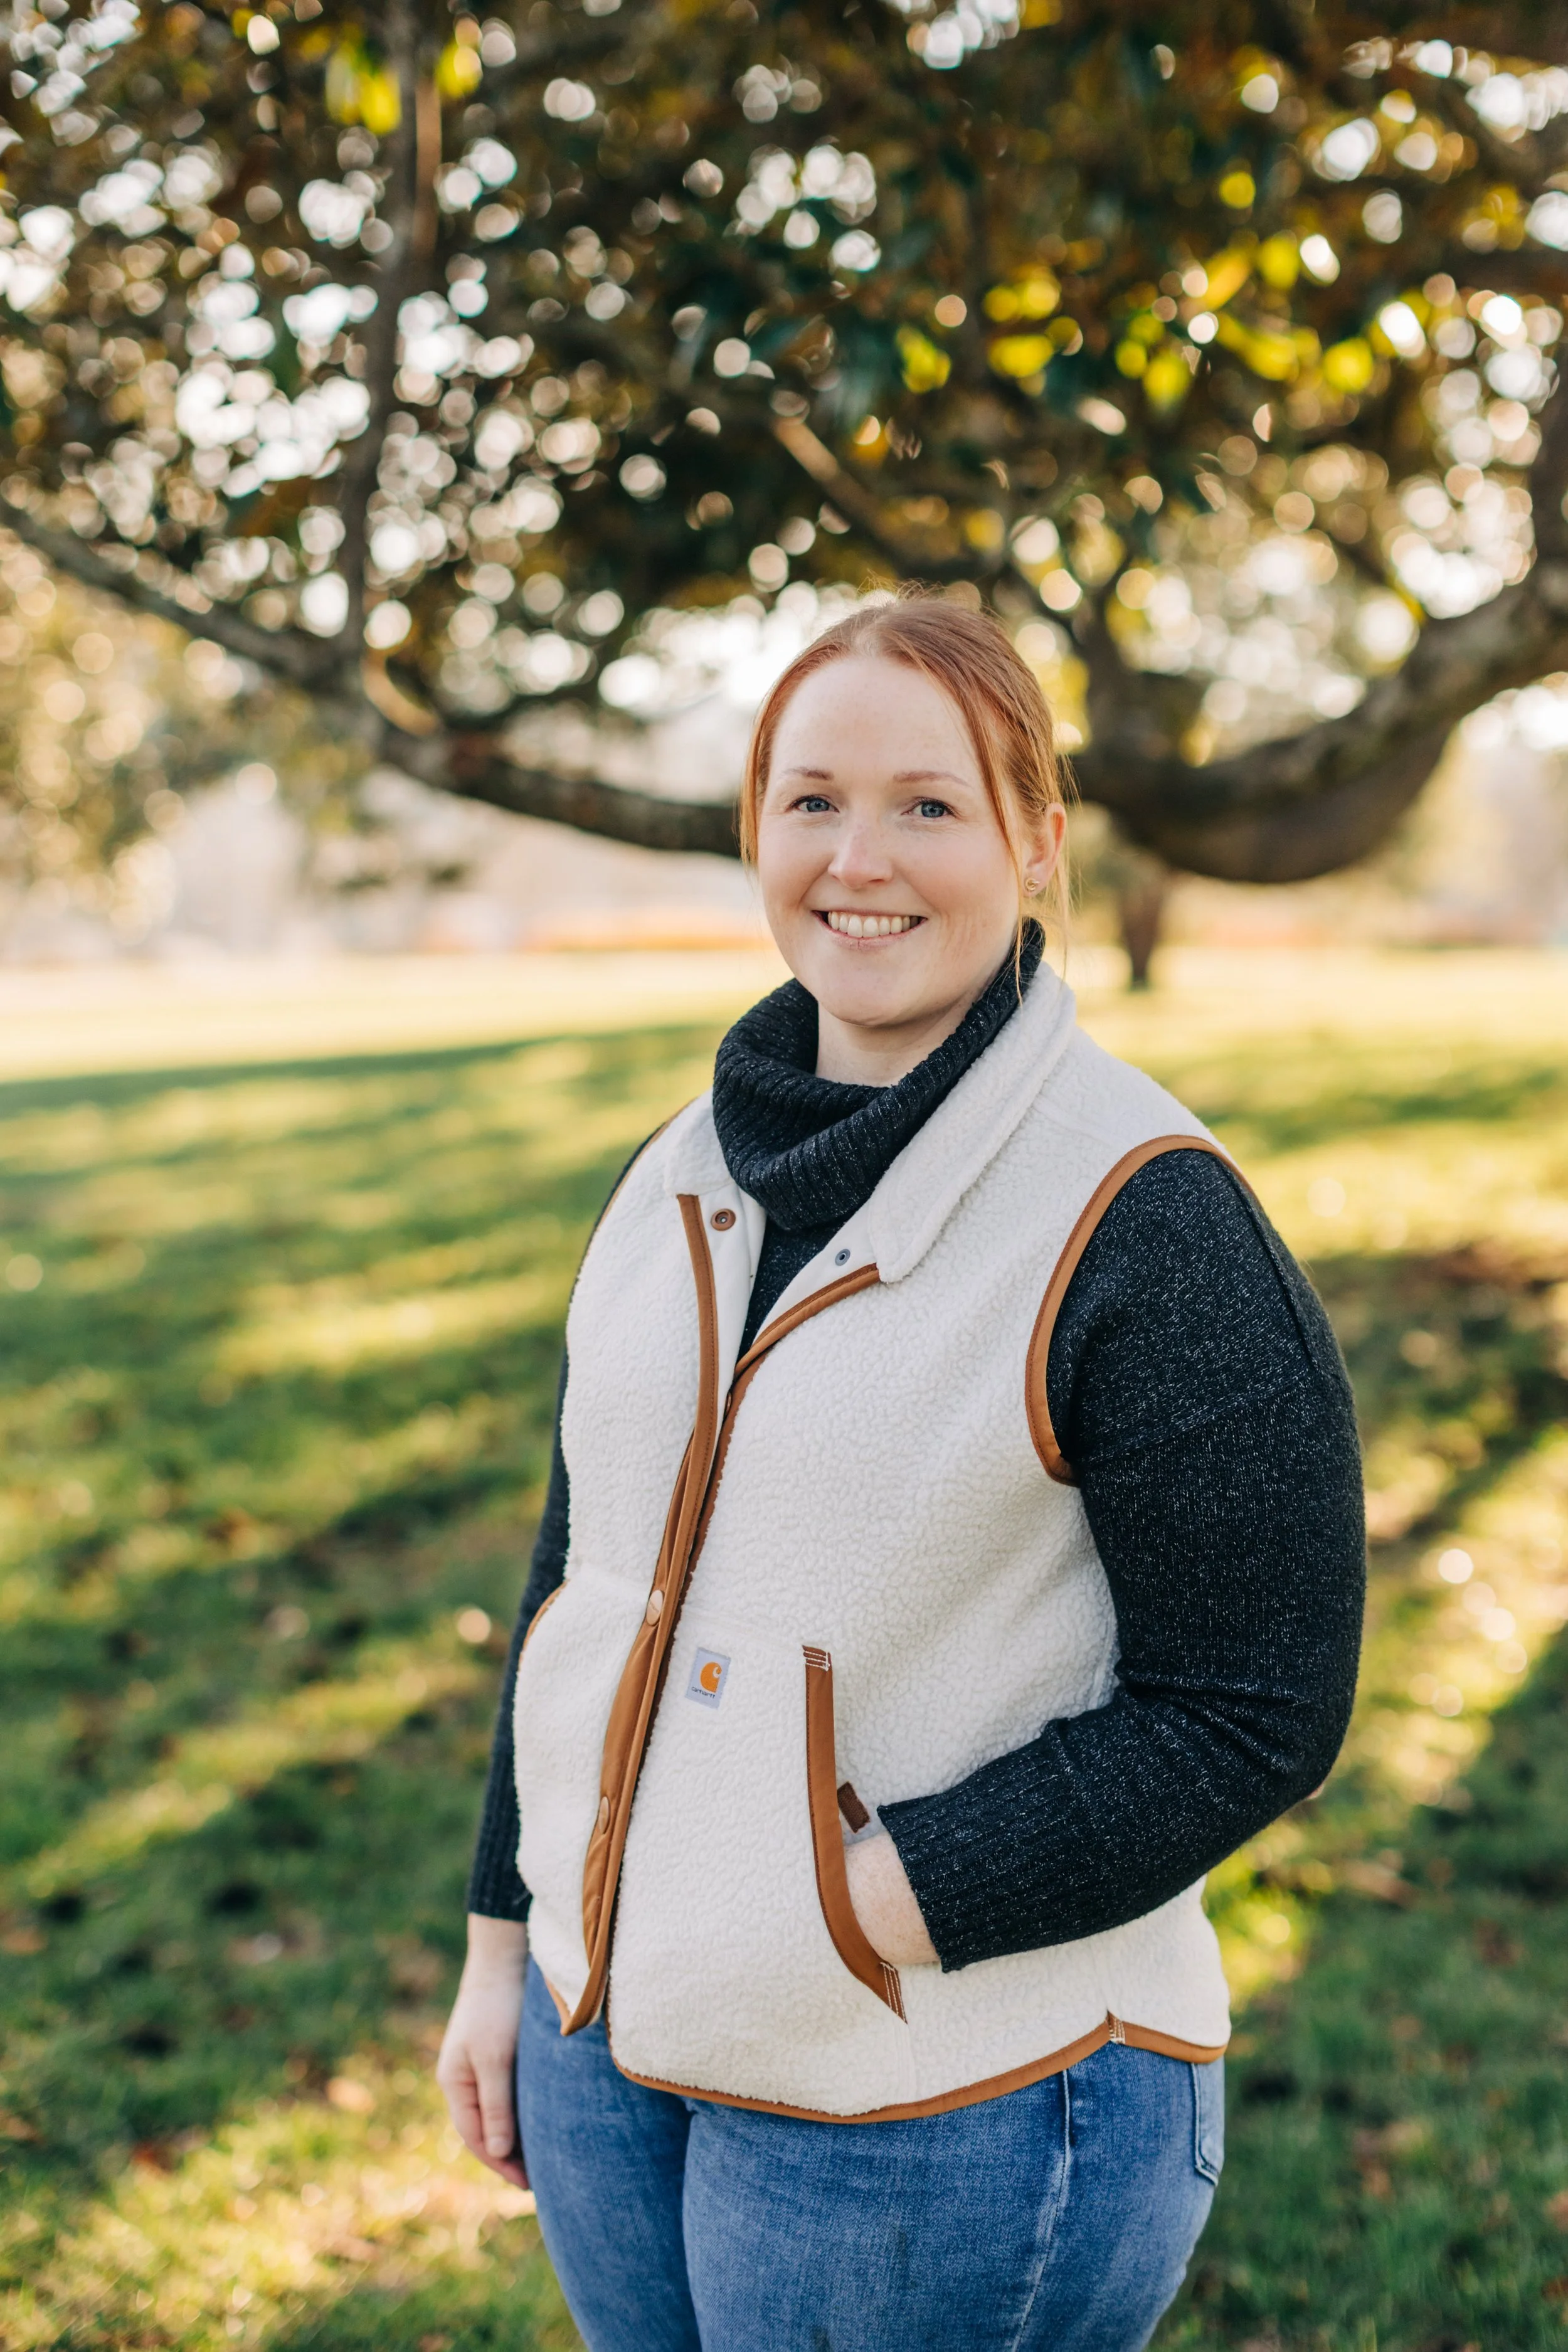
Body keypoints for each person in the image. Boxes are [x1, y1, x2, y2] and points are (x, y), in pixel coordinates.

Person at [437, 596, 1365, 2351]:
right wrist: (503, 1947)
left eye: (928, 805)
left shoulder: (1146, 1216)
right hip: (602, 2040)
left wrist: (850, 1906)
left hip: (942, 2091)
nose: (858, 858)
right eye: (810, 800)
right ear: (753, 830)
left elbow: (1252, 1703)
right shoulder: (677, 1170)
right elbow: (592, 1577)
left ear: (1032, 839)